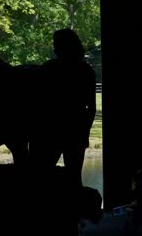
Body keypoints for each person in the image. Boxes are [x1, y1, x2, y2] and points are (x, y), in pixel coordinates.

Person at [30, 28, 97, 187]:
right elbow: (91, 107)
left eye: (55, 44)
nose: (54, 48)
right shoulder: (86, 70)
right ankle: (74, 209)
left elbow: (37, 103)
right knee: (74, 177)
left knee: (42, 176)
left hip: (49, 131)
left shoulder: (48, 68)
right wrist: (85, 130)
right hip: (76, 130)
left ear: (60, 47)